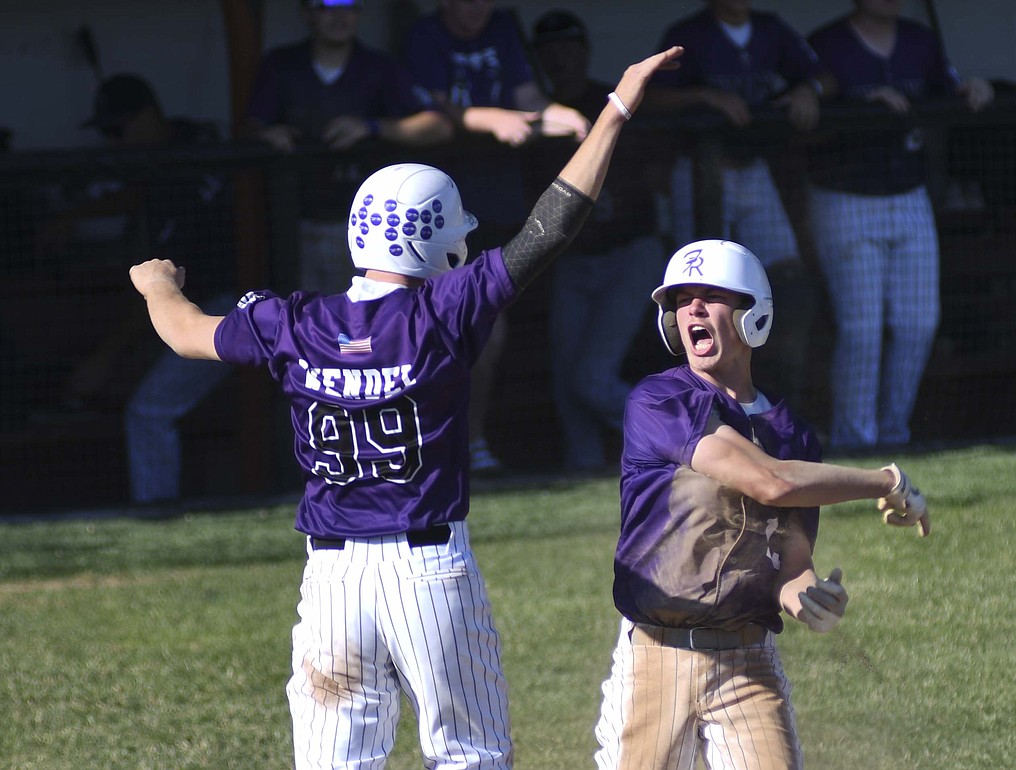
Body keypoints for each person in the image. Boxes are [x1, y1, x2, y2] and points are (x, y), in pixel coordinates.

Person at [129, 45, 684, 770]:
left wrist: (155, 285)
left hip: (330, 581)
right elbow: (551, 227)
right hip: (427, 572)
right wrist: (615, 109)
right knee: (470, 755)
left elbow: (183, 332)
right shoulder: (442, 312)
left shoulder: (293, 322)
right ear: (437, 239)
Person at [593, 239, 930, 769]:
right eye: (682, 300)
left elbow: (787, 565)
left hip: (748, 665)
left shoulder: (794, 436)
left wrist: (807, 599)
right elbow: (769, 482)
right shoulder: (661, 400)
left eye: (711, 296)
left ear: (754, 315)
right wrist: (884, 481)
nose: (693, 310)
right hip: (655, 658)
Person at [403, 0, 591, 474]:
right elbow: (434, 106)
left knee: (486, 331)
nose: (475, 9)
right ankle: (433, 442)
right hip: (429, 219)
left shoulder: (502, 28)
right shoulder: (424, 37)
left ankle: (470, 439)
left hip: (492, 214)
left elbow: (528, 100)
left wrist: (561, 115)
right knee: (429, 332)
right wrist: (491, 119)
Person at [806, 0, 994, 452]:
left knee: (918, 323)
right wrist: (856, 103)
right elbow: (801, 104)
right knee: (862, 329)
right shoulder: (825, 44)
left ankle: (894, 435)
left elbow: (946, 87)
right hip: (845, 196)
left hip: (908, 193)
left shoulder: (919, 40)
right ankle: (857, 442)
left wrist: (973, 89)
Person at [646, 0, 834, 415]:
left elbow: (825, 77)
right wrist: (706, 97)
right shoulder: (690, 33)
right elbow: (651, 96)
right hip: (697, 173)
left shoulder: (770, 29)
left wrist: (808, 89)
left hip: (754, 168)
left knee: (787, 279)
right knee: (691, 291)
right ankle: (699, 407)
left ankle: (776, 400)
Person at [60, 73, 236, 505]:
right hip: (213, 308)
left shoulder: (191, 159)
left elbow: (163, 287)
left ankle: (157, 516)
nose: (113, 142)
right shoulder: (180, 145)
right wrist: (71, 216)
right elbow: (141, 193)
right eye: (106, 133)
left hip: (233, 307)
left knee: (148, 410)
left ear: (147, 117)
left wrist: (106, 356)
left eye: (117, 130)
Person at [530, 10, 665, 472]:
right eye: (550, 51)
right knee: (570, 383)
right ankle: (584, 470)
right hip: (571, 259)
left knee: (591, 379)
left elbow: (657, 175)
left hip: (631, 254)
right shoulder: (534, 115)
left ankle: (685, 436)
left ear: (585, 50)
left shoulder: (612, 102)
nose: (561, 59)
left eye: (569, 47)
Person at [245, 0, 452, 294]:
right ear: (307, 13)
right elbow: (249, 126)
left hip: (364, 229)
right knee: (297, 322)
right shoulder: (280, 64)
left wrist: (372, 127)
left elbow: (438, 126)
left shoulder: (379, 66)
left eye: (349, 5)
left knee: (357, 324)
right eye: (327, 6)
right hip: (293, 226)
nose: (340, 15)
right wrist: (267, 134)